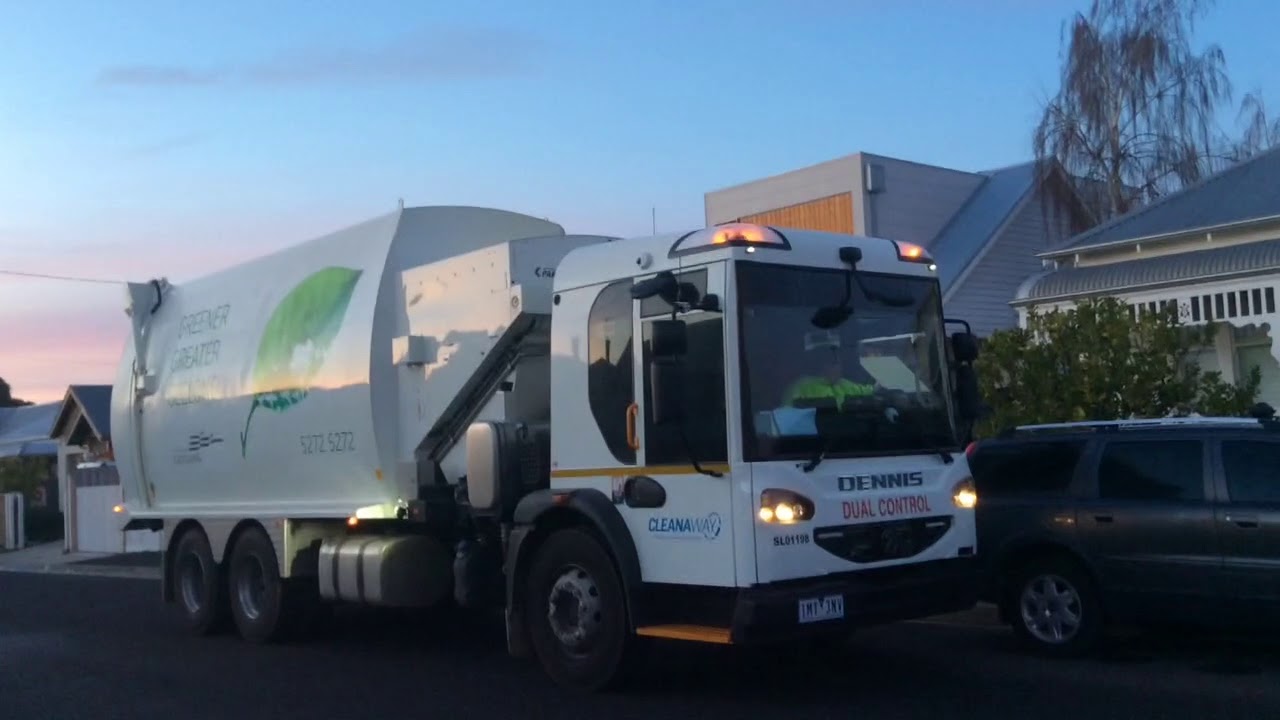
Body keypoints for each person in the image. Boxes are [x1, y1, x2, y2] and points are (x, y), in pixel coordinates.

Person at [782, 330, 878, 409]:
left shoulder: (846, 385)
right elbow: (786, 419)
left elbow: (872, 391)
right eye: (832, 361)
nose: (837, 366)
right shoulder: (800, 387)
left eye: (838, 360)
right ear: (819, 362)